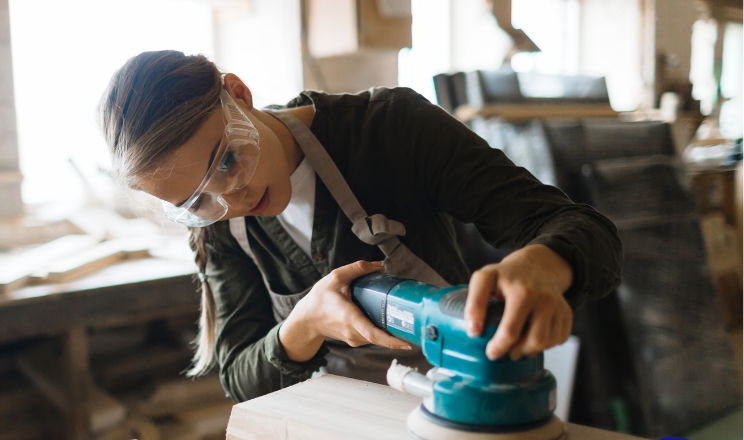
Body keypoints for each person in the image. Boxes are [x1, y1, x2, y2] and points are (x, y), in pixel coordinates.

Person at [98, 50, 622, 403]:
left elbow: (583, 228)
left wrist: (545, 264)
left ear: (238, 93)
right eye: (196, 200)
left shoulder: (391, 130)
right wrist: (304, 326)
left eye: (229, 160)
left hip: (456, 401)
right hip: (337, 429)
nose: (229, 198)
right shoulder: (219, 224)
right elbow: (239, 376)